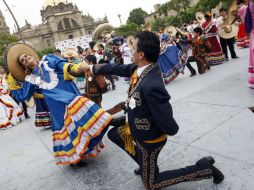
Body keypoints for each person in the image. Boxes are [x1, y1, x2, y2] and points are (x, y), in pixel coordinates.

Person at [77, 31, 224, 189]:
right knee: (115, 134)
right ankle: (145, 164)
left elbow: (170, 126)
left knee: (151, 183)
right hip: (136, 130)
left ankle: (203, 169)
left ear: (141, 54)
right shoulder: (139, 68)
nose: (130, 51)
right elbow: (116, 68)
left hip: (149, 140)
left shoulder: (152, 85)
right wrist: (91, 67)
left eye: (133, 48)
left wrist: (147, 119)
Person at [4, 43, 124, 166]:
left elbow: (63, 65)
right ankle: (74, 158)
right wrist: (12, 84)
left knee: (83, 107)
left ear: (30, 55)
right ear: (24, 66)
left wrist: (76, 68)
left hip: (67, 92)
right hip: (55, 103)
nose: (25, 59)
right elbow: (24, 95)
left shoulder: (48, 60)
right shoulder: (31, 79)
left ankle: (108, 121)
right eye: (22, 61)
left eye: (25, 56)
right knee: (66, 128)